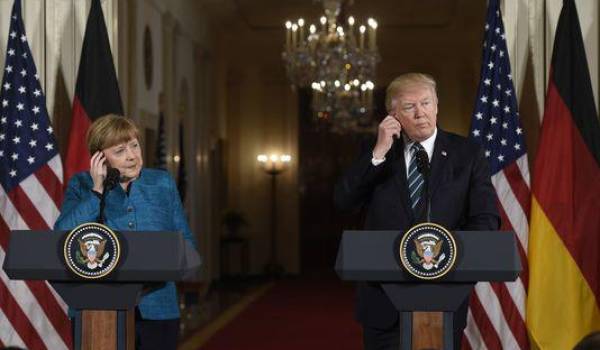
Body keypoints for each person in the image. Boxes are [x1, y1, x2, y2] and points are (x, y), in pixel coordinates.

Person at [334, 73, 499, 349]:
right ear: (393, 115)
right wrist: (378, 153)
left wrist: (452, 256)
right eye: (410, 106)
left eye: (426, 103)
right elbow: (343, 202)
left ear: (437, 106)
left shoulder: (467, 153)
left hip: (445, 295)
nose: (420, 112)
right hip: (383, 302)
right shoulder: (374, 152)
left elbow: (486, 219)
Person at [54, 114, 197, 350]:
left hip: (158, 310)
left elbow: (187, 245)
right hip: (97, 312)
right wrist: (97, 191)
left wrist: (167, 268)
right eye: (120, 150)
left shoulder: (162, 183)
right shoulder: (81, 185)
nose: (132, 155)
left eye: (134, 145)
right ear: (99, 158)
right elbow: (62, 234)